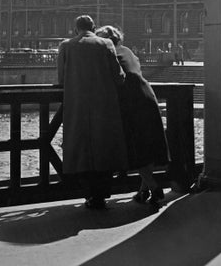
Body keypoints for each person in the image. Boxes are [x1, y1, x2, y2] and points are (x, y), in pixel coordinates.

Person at [57, 15, 128, 210]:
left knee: (80, 149)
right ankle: (101, 194)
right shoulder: (105, 44)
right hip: (104, 107)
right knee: (103, 149)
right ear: (93, 27)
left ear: (75, 29)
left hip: (77, 107)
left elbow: (61, 79)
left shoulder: (66, 46)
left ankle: (88, 193)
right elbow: (119, 76)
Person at [96, 25, 170, 206]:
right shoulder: (128, 51)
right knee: (148, 146)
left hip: (131, 102)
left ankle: (154, 187)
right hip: (148, 96)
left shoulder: (108, 53)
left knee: (134, 147)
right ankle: (143, 191)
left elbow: (109, 78)